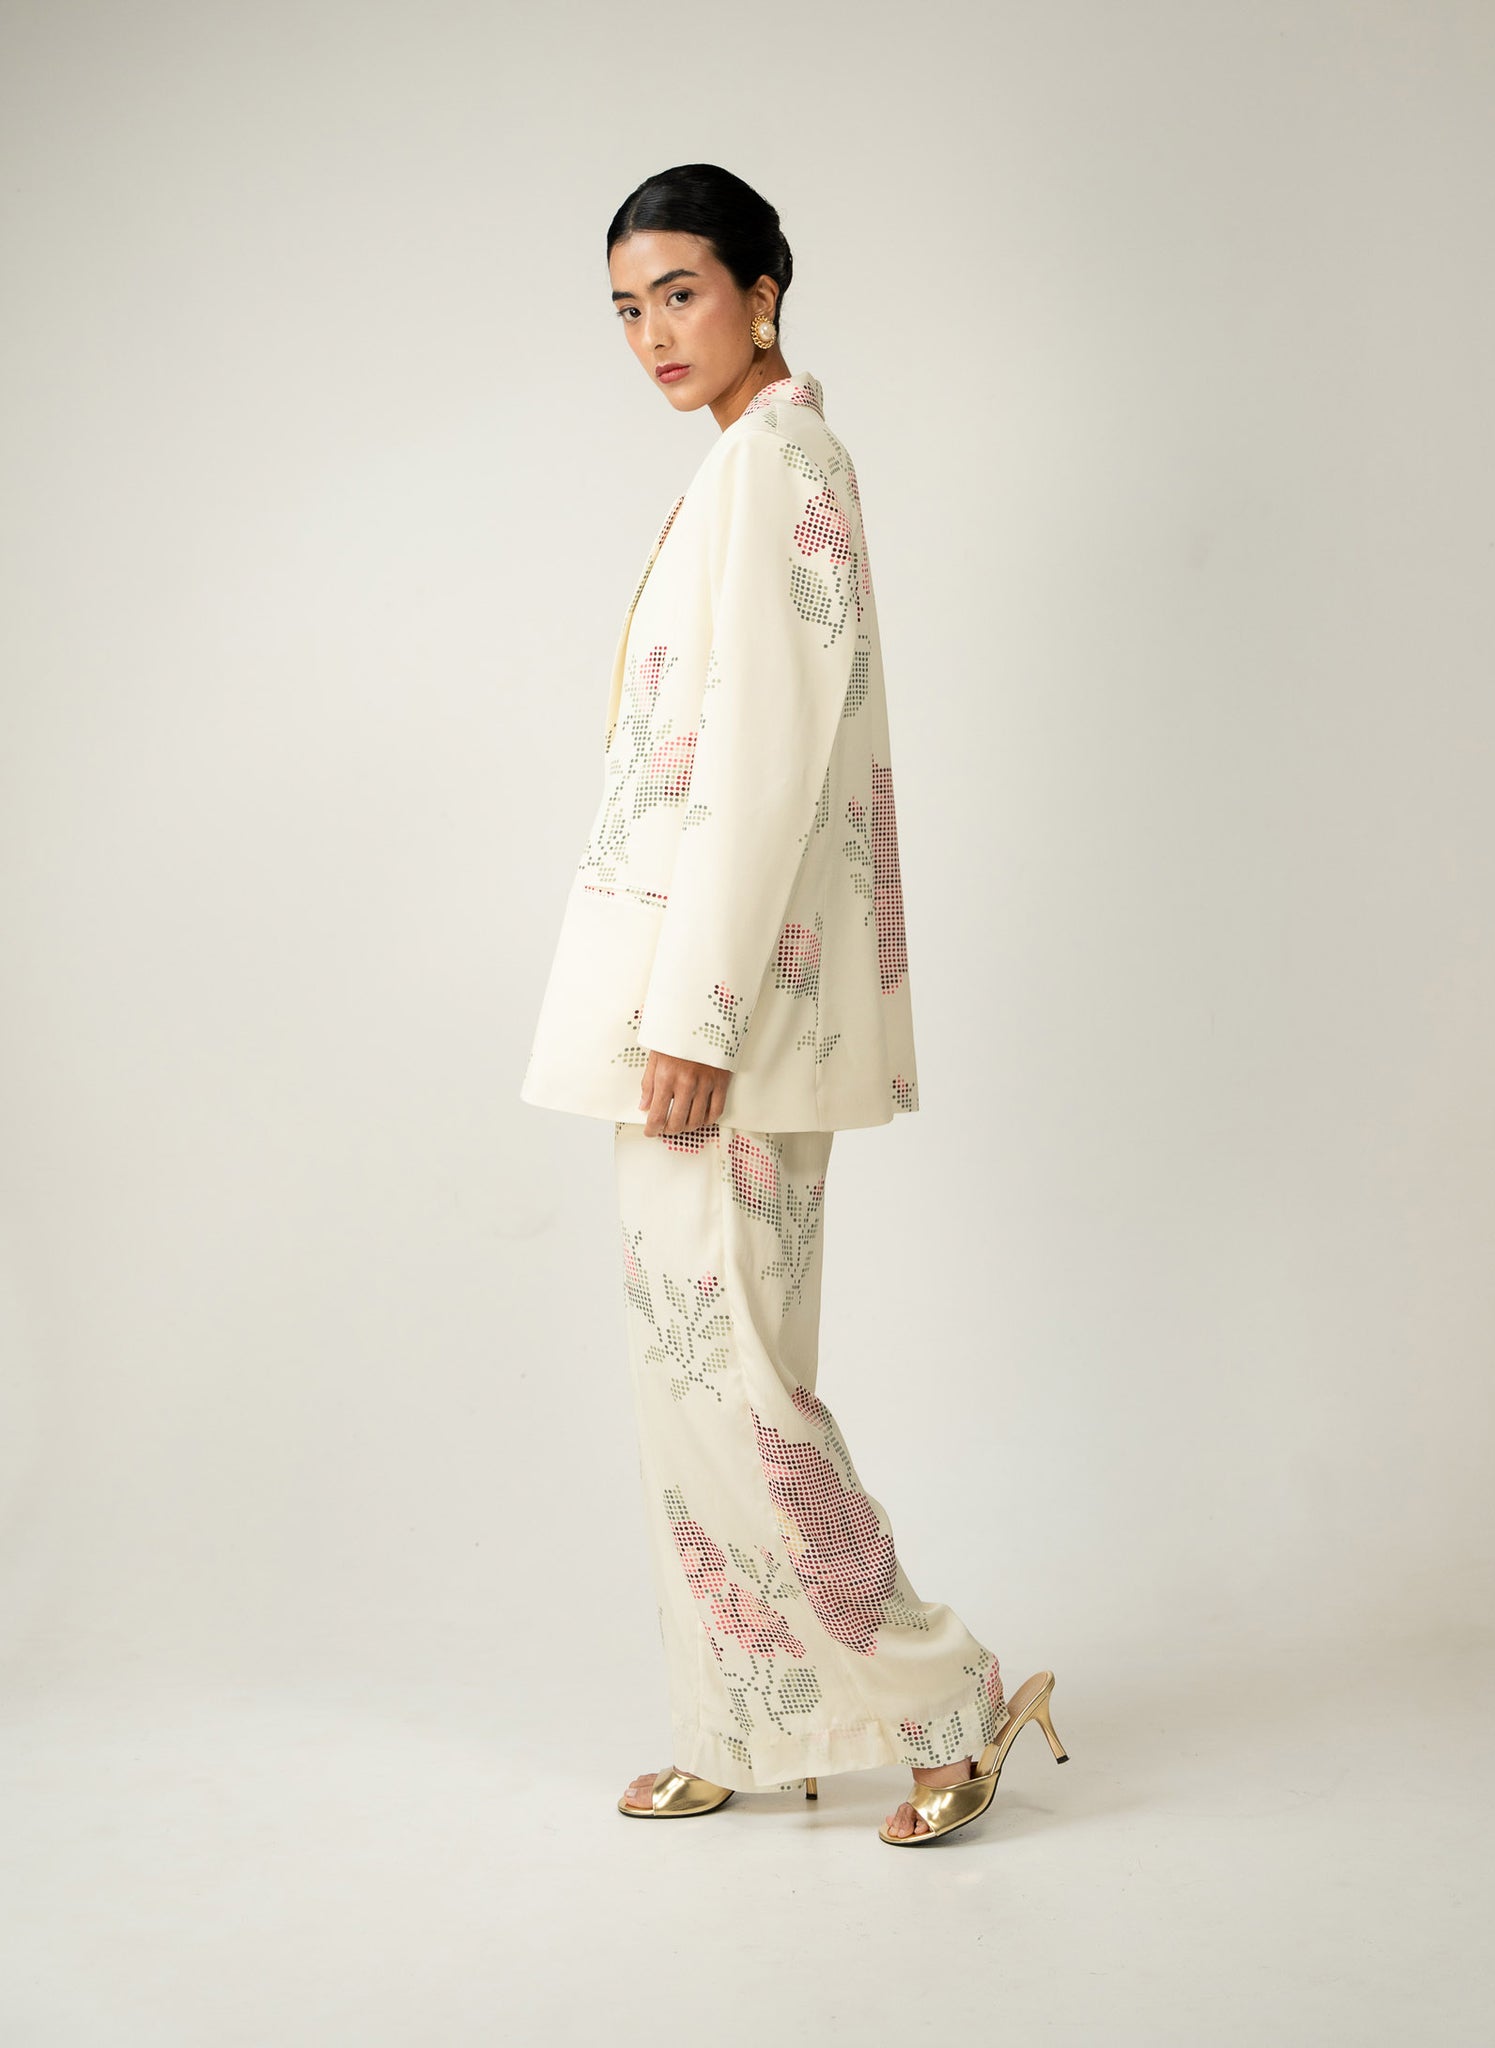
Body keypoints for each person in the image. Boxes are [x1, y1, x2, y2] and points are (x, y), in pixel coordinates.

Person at [520, 162, 1067, 1844]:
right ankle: (749, 1722)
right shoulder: (753, 462)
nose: (652, 333)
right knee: (696, 1388)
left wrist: (692, 1018)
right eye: (627, 307)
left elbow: (763, 764)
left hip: (726, 1022)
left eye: (679, 292)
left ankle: (951, 1700)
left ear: (763, 290)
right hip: (703, 1012)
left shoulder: (774, 464)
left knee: (744, 1395)